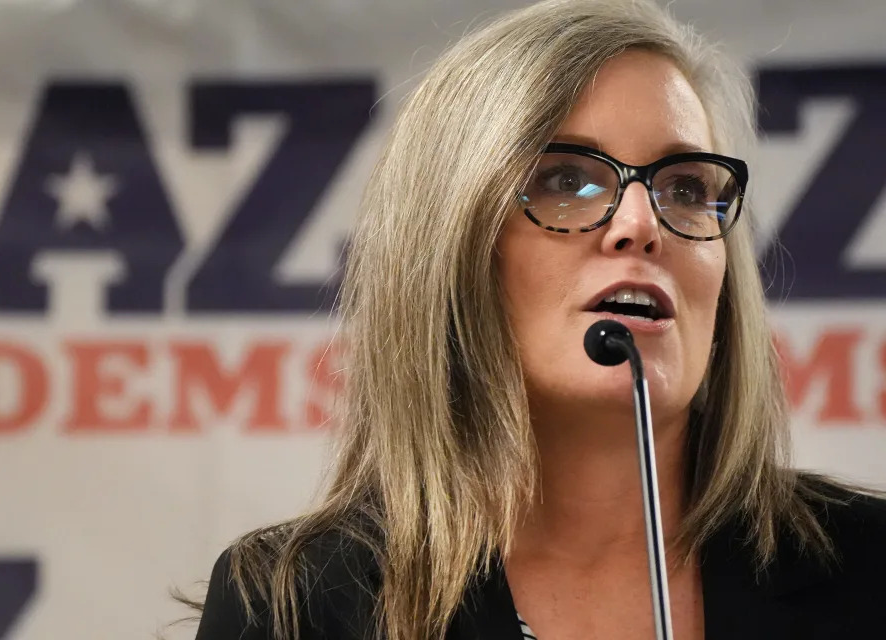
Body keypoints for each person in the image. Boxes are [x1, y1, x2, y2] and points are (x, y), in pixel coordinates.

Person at [190, 0, 886, 638]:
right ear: (452, 249)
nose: (642, 224)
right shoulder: (295, 608)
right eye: (566, 180)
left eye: (685, 188)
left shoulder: (870, 569)